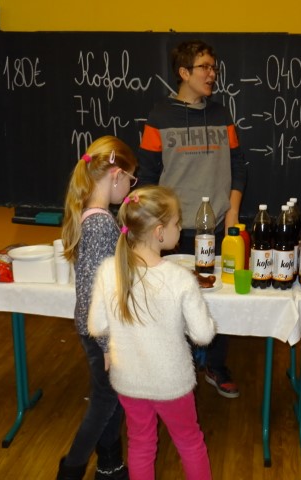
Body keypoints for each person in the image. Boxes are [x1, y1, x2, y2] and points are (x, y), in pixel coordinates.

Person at [137, 39, 247, 399]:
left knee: (220, 300)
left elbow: (238, 168)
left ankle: (216, 365)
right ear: (184, 72)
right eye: (205, 67)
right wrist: (152, 228)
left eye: (214, 67)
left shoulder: (221, 115)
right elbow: (148, 178)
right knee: (173, 302)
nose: (212, 74)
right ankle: (174, 366)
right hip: (173, 232)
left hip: (217, 227)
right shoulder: (159, 117)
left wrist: (232, 213)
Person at [88, 185, 215, 480]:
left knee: (141, 443)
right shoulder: (179, 278)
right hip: (172, 383)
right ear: (159, 232)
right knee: (190, 442)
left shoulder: (109, 271)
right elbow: (203, 334)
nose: (180, 228)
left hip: (129, 381)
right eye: (177, 223)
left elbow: (96, 325)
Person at [58, 135, 138, 480]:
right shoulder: (101, 223)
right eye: (131, 179)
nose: (132, 187)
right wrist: (107, 343)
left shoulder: (94, 217)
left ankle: (110, 466)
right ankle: (71, 469)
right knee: (105, 400)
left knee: (112, 398)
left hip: (99, 329)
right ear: (116, 175)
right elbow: (94, 290)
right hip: (102, 332)